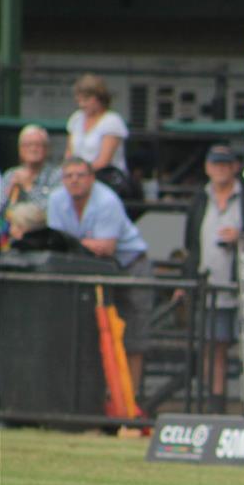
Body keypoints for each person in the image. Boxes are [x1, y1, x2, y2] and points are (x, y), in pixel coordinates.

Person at [47, 157, 153, 393]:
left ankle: (130, 403)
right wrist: (83, 244)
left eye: (80, 175)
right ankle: (95, 399)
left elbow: (106, 247)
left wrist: (73, 243)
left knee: (132, 339)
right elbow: (56, 243)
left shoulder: (107, 200)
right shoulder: (55, 199)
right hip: (87, 269)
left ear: (92, 178)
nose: (74, 180)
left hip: (129, 267)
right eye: (69, 176)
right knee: (91, 337)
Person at [181, 144, 244, 412]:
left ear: (234, 167)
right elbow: (190, 244)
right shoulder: (199, 199)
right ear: (207, 167)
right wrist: (186, 280)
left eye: (225, 164)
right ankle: (216, 404)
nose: (220, 169)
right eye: (215, 164)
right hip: (211, 286)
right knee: (213, 347)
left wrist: (242, 237)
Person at [65, 74, 130, 176]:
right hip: (76, 177)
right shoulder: (76, 118)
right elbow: (69, 153)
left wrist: (81, 174)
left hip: (105, 177)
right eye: (79, 100)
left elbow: (104, 161)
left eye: (86, 100)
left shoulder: (112, 121)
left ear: (100, 98)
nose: (82, 105)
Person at [1, 124, 62, 213]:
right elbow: (1, 210)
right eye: (28, 145)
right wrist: (8, 192)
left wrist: (28, 187)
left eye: (38, 145)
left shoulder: (57, 175)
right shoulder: (11, 174)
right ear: (20, 150)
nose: (33, 149)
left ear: (47, 149)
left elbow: (50, 209)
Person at [6, 202, 83, 253]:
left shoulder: (20, 248)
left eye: (12, 225)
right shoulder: (61, 238)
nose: (10, 231)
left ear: (22, 227)